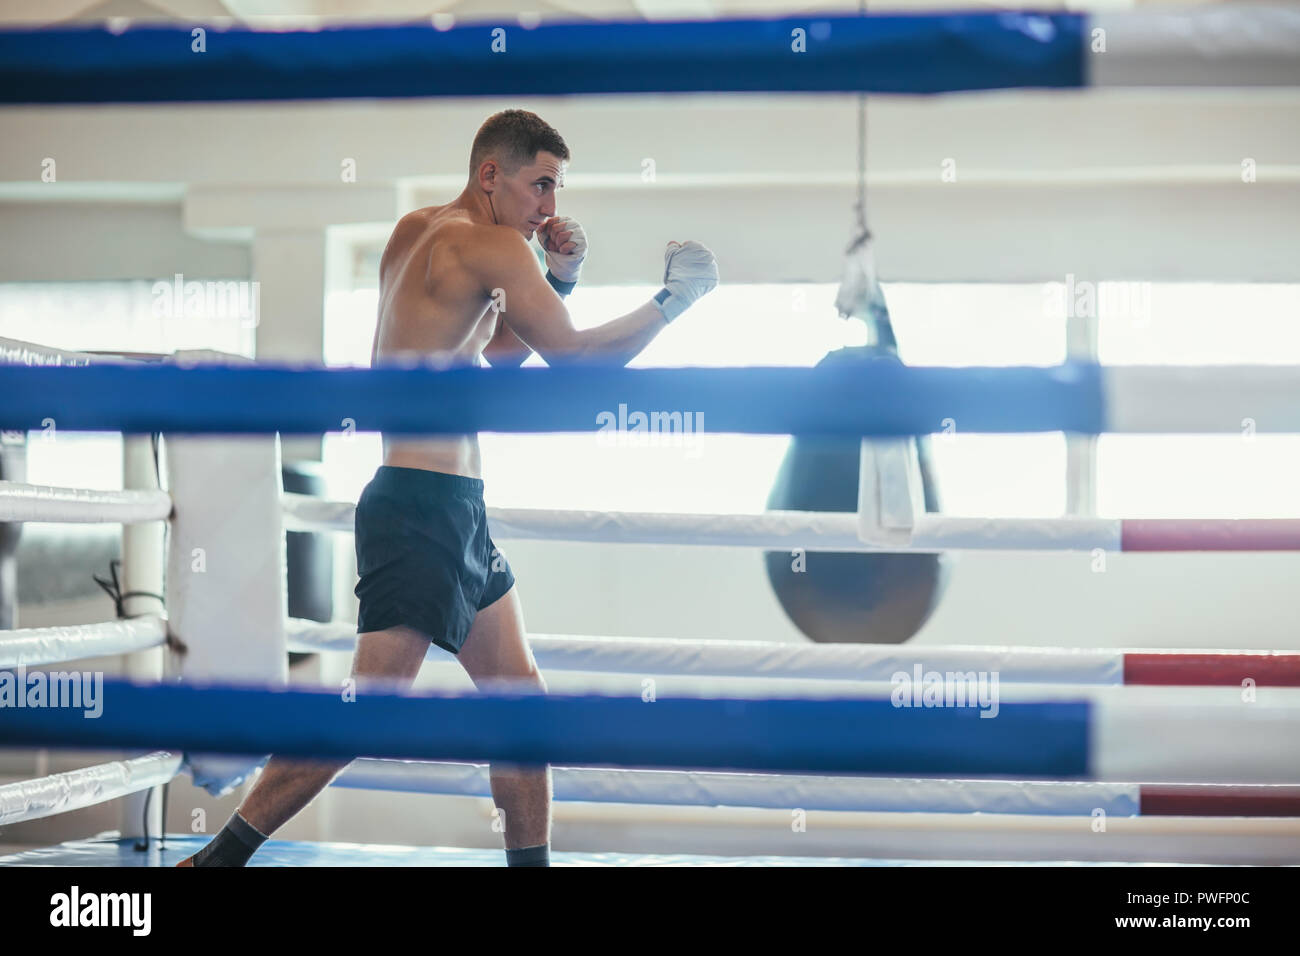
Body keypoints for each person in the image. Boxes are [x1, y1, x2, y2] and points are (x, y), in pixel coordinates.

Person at [180, 108, 718, 867]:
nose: (549, 207)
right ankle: (213, 863)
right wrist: (674, 301)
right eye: (540, 185)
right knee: (367, 714)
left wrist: (560, 277)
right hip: (424, 508)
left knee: (520, 709)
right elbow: (572, 360)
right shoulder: (494, 247)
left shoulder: (417, 232)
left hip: (448, 508)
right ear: (490, 174)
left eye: (556, 189)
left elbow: (491, 358)